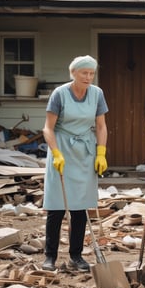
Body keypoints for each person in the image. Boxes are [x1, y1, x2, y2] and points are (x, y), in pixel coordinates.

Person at [42, 55, 109, 272]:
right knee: (56, 206)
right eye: (84, 73)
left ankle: (76, 256)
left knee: (80, 208)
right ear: (73, 73)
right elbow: (48, 128)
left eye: (91, 73)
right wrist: (56, 153)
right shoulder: (60, 94)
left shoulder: (97, 94)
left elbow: (100, 126)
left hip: (84, 153)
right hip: (61, 149)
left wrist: (101, 153)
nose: (88, 77)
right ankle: (50, 256)